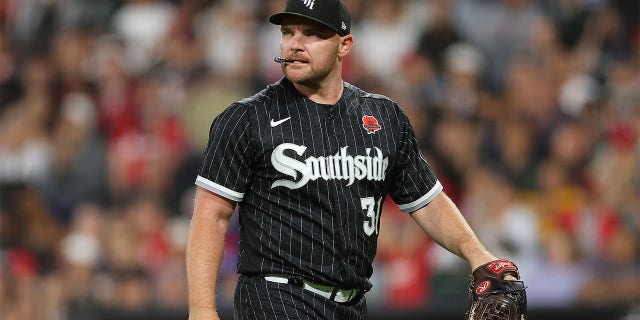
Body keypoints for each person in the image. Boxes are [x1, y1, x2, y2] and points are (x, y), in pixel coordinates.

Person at [186, 1, 520, 319]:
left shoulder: (384, 117)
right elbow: (211, 215)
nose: (295, 44)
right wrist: (202, 310)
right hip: (274, 298)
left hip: (352, 302)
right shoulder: (246, 119)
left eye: (312, 34)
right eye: (288, 32)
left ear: (344, 45)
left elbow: (428, 201)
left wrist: (477, 254)